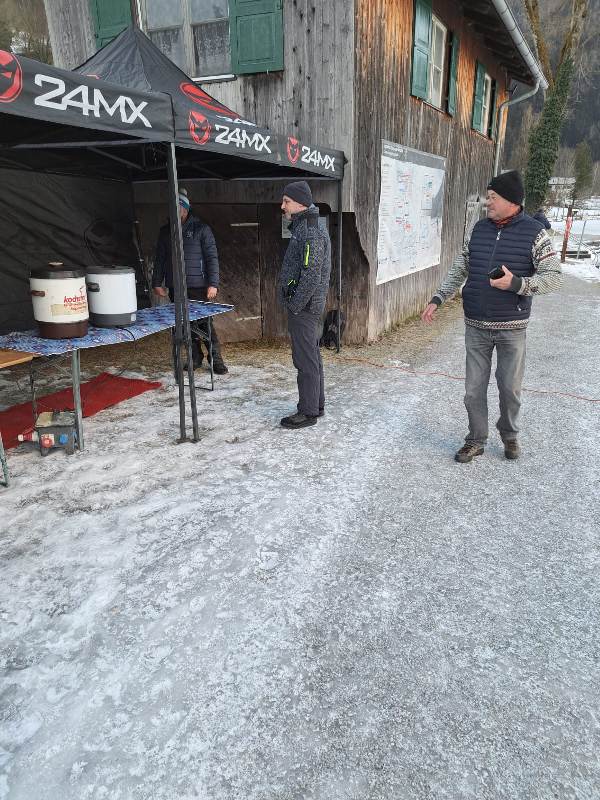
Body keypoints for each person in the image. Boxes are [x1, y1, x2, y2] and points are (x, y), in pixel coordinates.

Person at [421, 170, 561, 463]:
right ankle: (475, 439)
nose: (488, 202)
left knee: (509, 389)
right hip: (476, 325)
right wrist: (439, 297)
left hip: (512, 327)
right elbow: (462, 266)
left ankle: (509, 435)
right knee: (473, 390)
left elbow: (553, 277)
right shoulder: (479, 229)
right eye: (488, 197)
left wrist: (517, 284)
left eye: (493, 197)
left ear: (511, 201)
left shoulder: (535, 233)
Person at [153, 191, 228, 374]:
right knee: (185, 325)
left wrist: (213, 283)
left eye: (177, 207)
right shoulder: (165, 231)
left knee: (204, 324)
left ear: (185, 209)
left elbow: (212, 257)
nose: (173, 210)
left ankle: (216, 360)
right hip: (176, 286)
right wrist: (157, 282)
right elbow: (160, 258)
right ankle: (195, 357)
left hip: (199, 286)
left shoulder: (201, 229)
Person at [278, 181, 331, 429]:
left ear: (300, 203)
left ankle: (308, 412)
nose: (282, 206)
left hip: (305, 307)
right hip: (307, 305)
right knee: (311, 354)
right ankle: (316, 404)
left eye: (286, 201)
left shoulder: (310, 231)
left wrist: (296, 304)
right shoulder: (305, 227)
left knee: (305, 357)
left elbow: (311, 274)